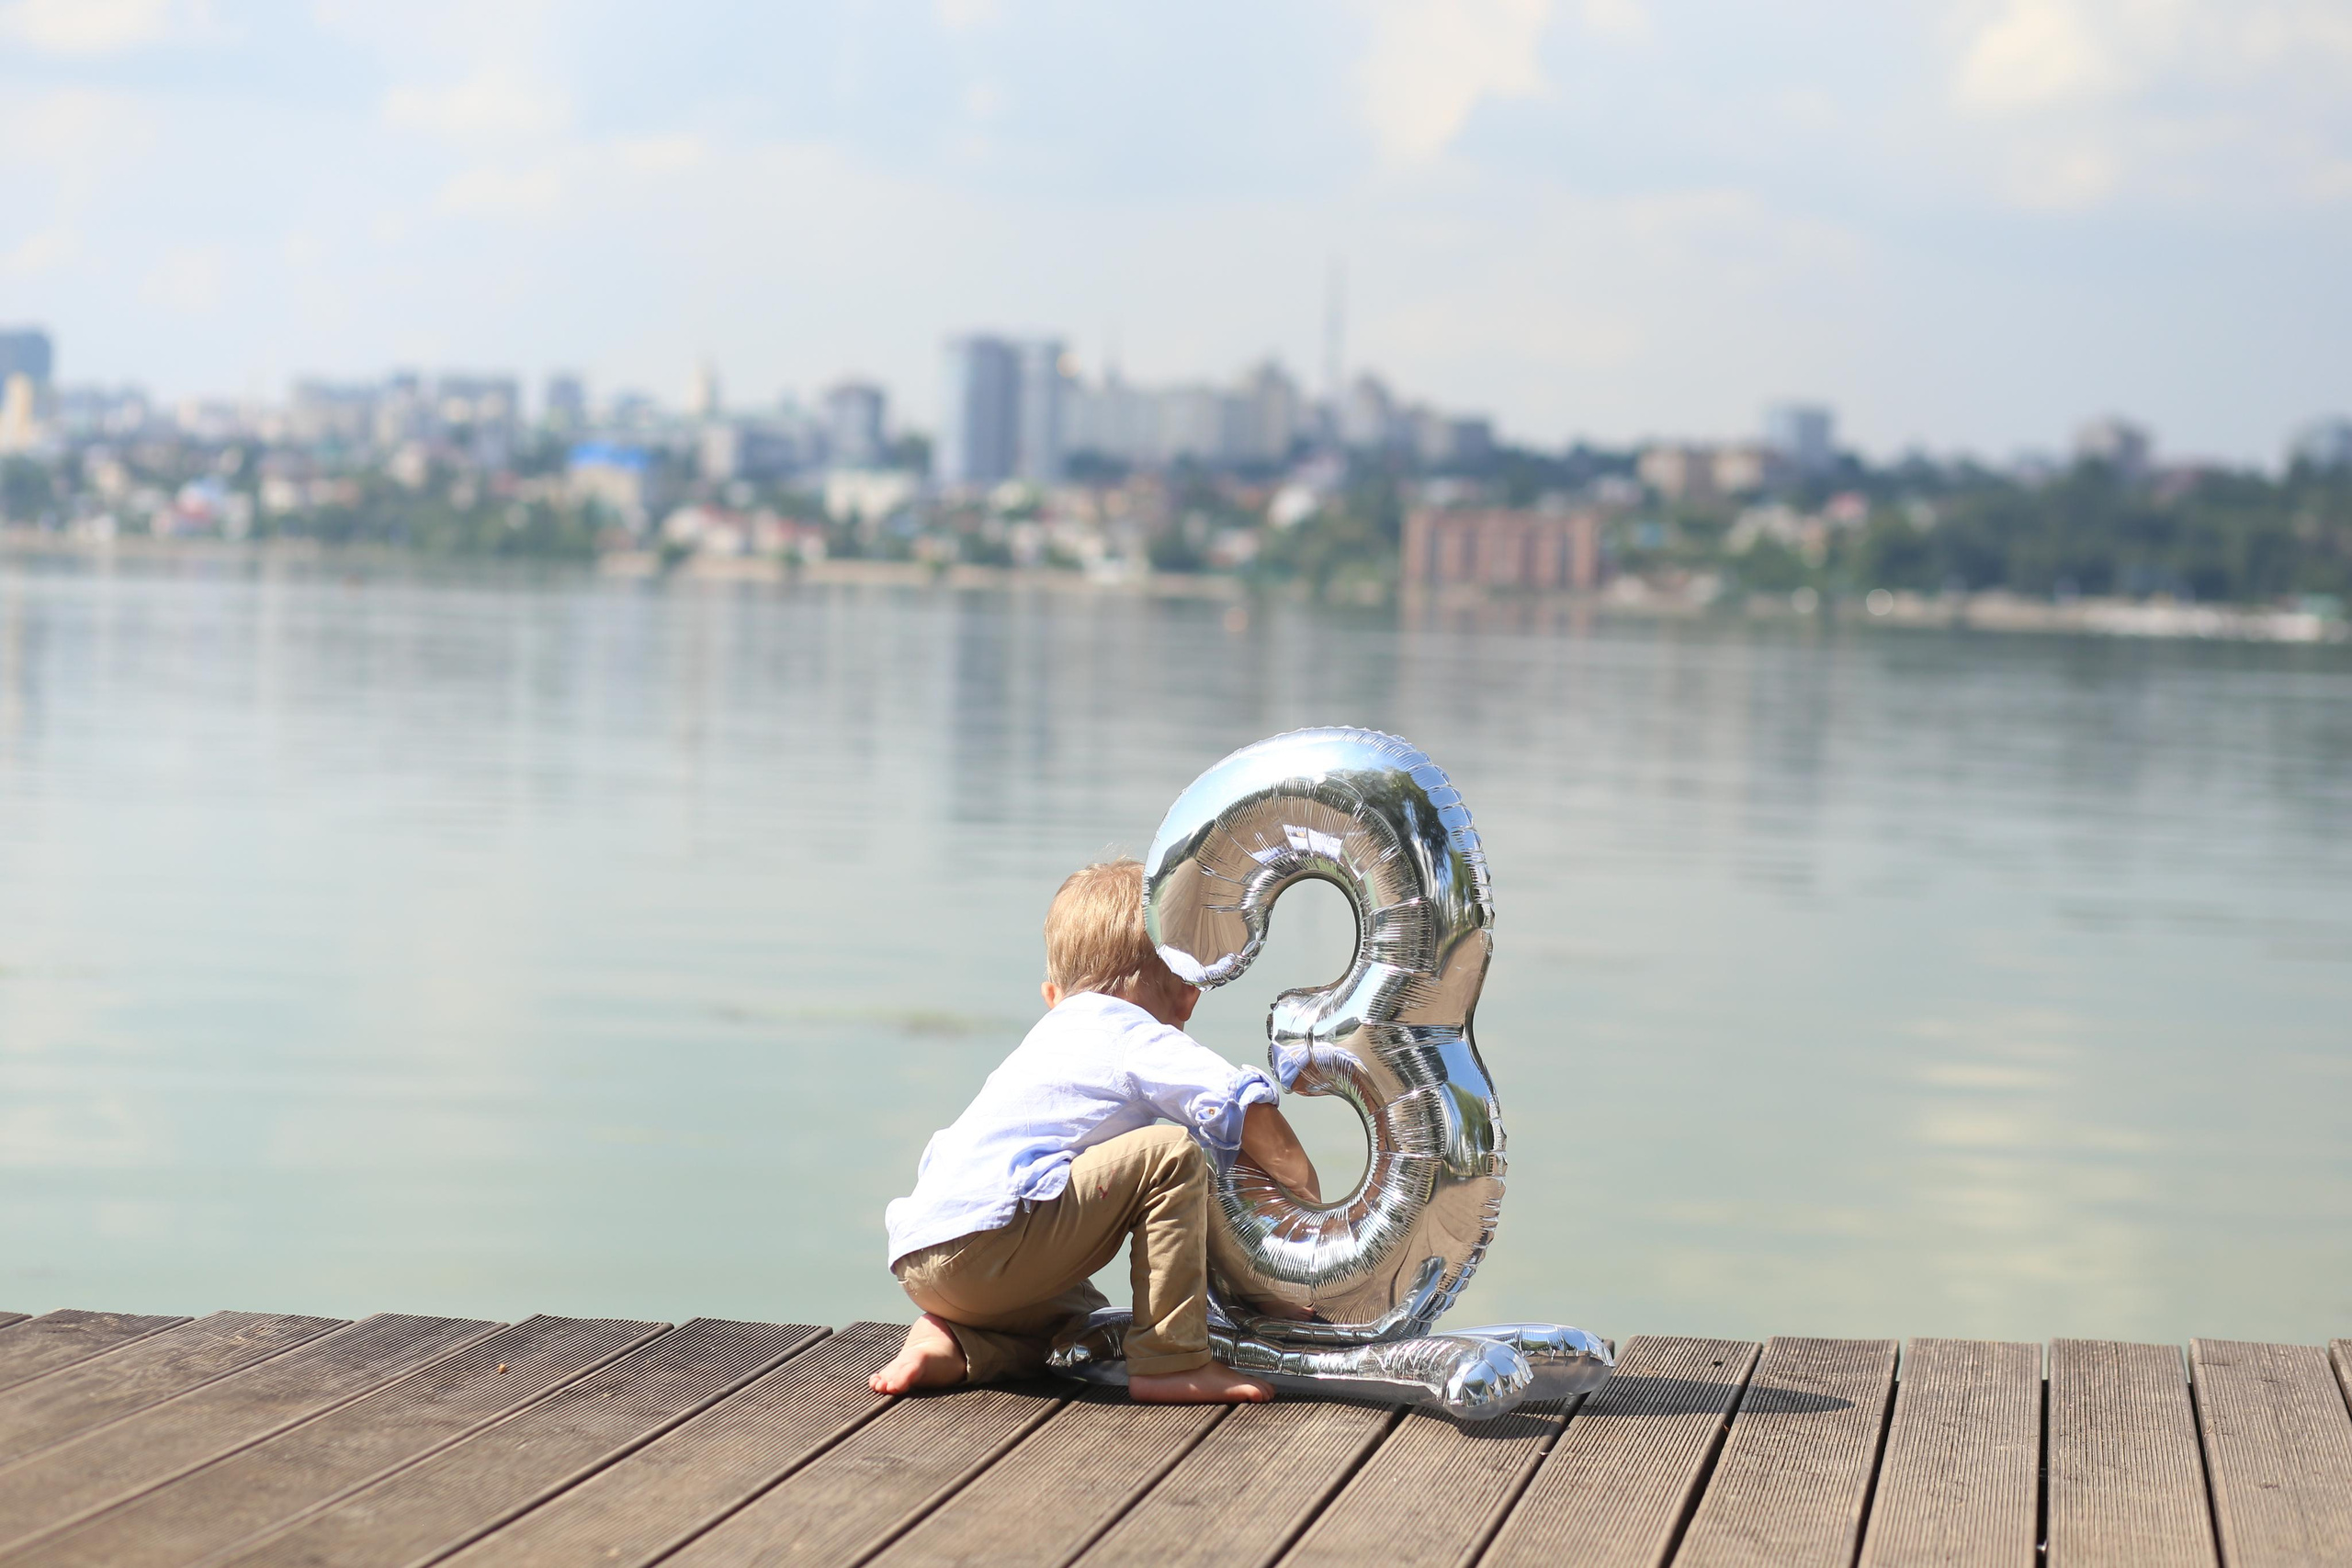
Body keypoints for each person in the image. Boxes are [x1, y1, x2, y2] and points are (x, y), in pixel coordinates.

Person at [871, 857, 1320, 1403]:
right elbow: (1233, 1100)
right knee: (1174, 1153)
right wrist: (1299, 1184)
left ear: (1052, 995)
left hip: (927, 1256)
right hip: (992, 1242)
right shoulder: (1130, 1031)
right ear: (1187, 994)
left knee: (1081, 1322)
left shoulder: (1046, 1039)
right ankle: (1170, 1359)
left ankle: (952, 1342)